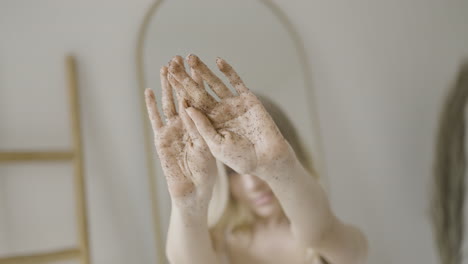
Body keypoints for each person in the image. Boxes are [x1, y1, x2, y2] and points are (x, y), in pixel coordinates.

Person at [144, 54, 368, 264]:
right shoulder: (216, 245)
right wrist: (187, 203)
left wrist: (279, 166)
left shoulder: (335, 237)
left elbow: (322, 233)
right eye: (232, 171)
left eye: (260, 169)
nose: (253, 184)